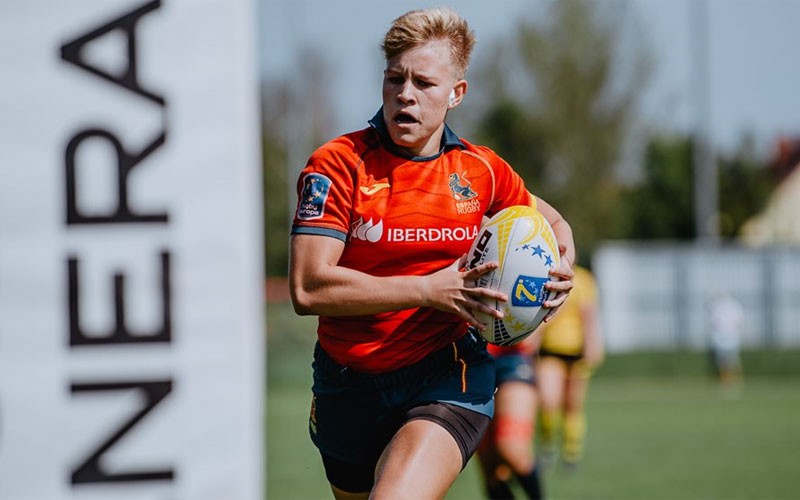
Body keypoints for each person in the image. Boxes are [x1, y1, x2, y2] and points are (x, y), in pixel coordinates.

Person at [289, 7, 575, 499]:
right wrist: (428, 288)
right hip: (347, 382)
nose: (405, 94)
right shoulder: (338, 165)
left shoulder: (481, 170)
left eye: (424, 83)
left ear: (456, 94)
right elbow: (307, 286)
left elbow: (552, 222)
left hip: (447, 373)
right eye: (395, 78)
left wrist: (561, 262)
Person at [535, 265, 603, 470]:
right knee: (548, 402)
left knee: (573, 406)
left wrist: (593, 344)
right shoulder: (544, 279)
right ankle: (547, 446)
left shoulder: (583, 279)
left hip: (577, 352)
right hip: (550, 351)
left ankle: (572, 453)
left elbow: (589, 316)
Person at [476, 336, 544, 499]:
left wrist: (538, 325)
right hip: (470, 360)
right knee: (491, 468)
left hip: (512, 359)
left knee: (511, 449)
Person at [707, 293, 745, 391]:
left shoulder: (732, 306)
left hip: (730, 337)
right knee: (725, 362)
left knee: (731, 361)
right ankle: (728, 382)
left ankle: (736, 381)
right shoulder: (718, 307)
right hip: (722, 338)